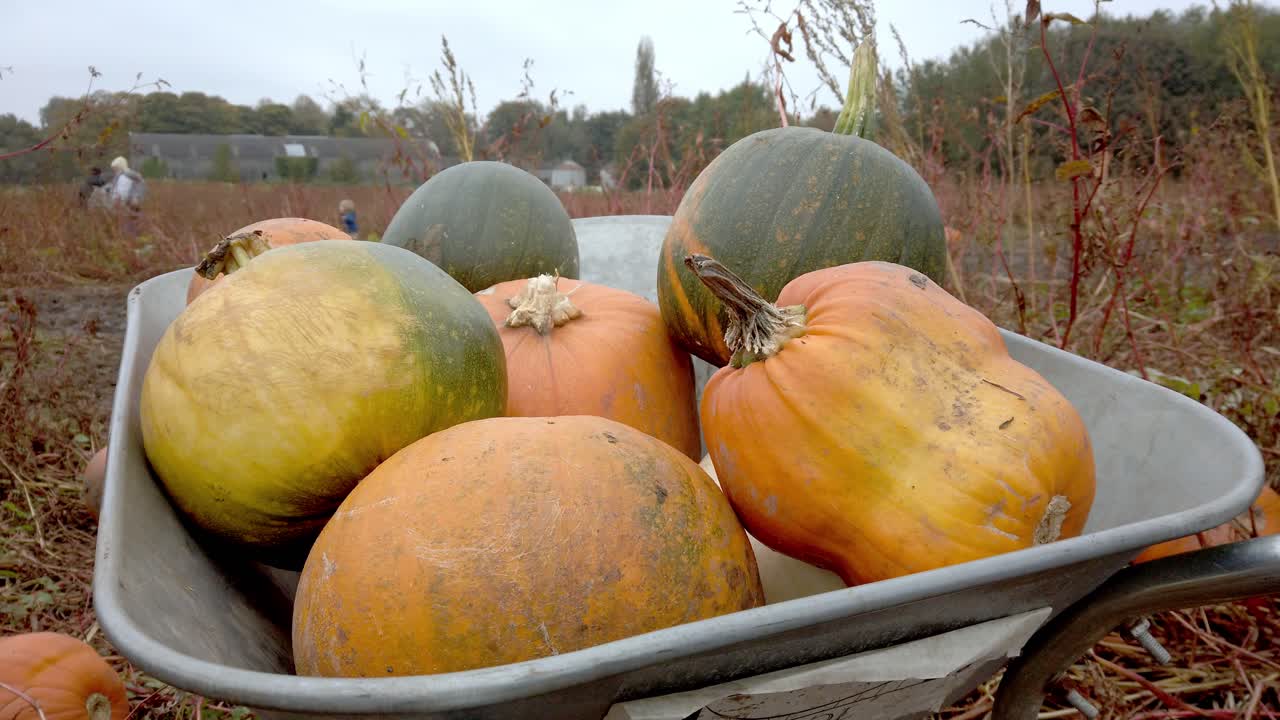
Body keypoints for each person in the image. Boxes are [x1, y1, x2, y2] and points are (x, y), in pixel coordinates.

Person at [108, 156, 146, 236]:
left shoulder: (127, 176)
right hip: (128, 205)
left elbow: (123, 192)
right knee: (129, 226)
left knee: (129, 228)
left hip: (128, 205)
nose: (114, 171)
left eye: (115, 168)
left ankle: (131, 240)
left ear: (120, 166)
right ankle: (132, 240)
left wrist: (135, 197)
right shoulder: (124, 176)